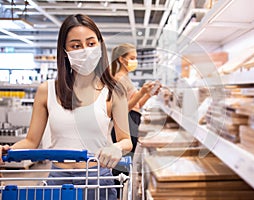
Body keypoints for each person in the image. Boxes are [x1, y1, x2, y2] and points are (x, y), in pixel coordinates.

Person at [0, 14, 132, 199]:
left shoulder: (113, 91)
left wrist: (116, 147)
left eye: (91, 43)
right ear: (65, 51)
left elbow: (126, 140)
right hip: (58, 179)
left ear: (100, 45)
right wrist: (9, 150)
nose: (85, 50)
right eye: (76, 46)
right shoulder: (47, 91)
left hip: (96, 179)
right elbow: (31, 141)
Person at [110, 43, 160, 158]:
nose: (135, 61)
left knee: (127, 163)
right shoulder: (119, 78)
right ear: (122, 60)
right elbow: (122, 111)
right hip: (126, 123)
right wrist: (142, 92)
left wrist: (148, 94)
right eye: (132, 58)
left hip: (133, 120)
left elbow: (136, 106)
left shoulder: (126, 77)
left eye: (136, 58)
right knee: (122, 166)